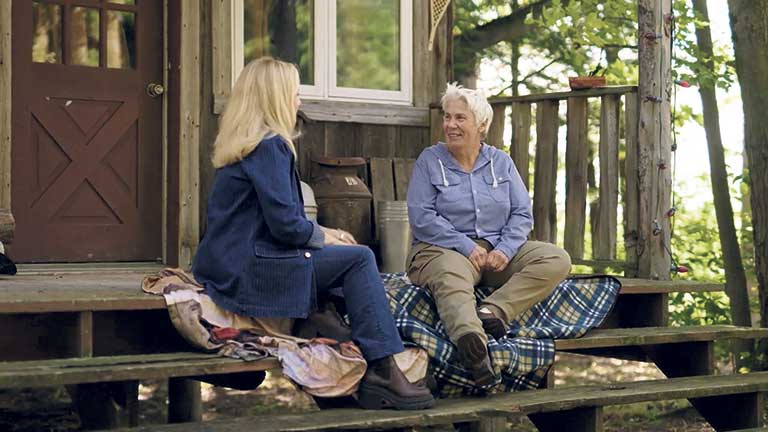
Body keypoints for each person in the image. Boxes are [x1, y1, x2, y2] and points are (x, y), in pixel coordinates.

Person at [192, 57, 434, 410]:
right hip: (250, 272)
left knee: (340, 263)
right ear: (274, 98)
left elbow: (273, 220)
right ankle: (384, 368)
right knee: (360, 259)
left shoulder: (244, 143)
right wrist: (324, 238)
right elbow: (288, 227)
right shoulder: (270, 146)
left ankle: (336, 351)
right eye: (293, 93)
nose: (298, 101)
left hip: (229, 263)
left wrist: (324, 233)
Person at [406, 83, 571, 387]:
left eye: (460, 118)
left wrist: (506, 249)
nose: (450, 125)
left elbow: (522, 214)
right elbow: (422, 217)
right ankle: (474, 347)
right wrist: (465, 245)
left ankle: (493, 311)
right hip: (445, 250)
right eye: (447, 117)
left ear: (481, 125)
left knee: (555, 258)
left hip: (495, 253)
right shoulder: (430, 160)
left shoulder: (501, 162)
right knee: (449, 275)